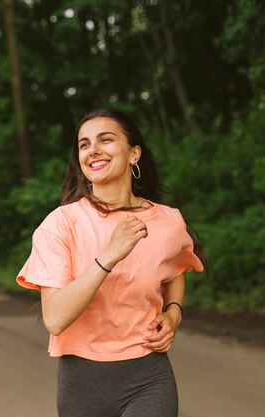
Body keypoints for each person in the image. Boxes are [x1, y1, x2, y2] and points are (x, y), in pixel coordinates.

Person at [17, 108, 205, 417]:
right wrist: (109, 256)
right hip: (82, 384)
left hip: (149, 377)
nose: (93, 150)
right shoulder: (61, 224)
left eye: (105, 140)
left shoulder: (168, 221)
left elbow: (175, 269)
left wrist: (173, 314)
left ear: (134, 153)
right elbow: (55, 318)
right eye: (84, 144)